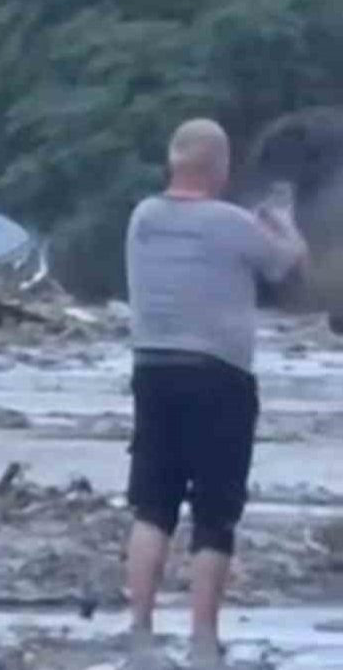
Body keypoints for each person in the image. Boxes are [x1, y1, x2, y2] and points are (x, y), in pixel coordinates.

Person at [123, 119, 308, 669]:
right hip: (219, 377)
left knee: (152, 505)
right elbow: (287, 263)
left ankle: (140, 636)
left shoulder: (143, 218)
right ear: (220, 168)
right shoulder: (233, 224)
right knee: (215, 512)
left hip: (152, 370)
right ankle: (203, 642)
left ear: (172, 162)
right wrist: (284, 222)